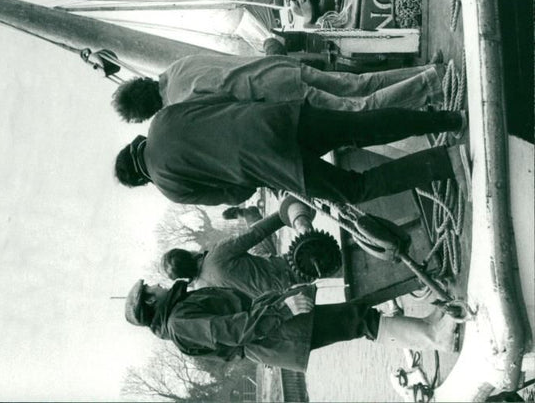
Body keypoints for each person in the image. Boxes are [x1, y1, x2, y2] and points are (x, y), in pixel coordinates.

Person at [113, 96, 468, 207]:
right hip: (275, 117)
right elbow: (221, 102)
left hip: (272, 162)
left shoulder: (169, 187)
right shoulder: (162, 118)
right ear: (134, 145)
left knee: (353, 190)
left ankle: (446, 160)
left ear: (141, 180)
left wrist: (250, 178)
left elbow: (236, 195)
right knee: (360, 127)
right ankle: (450, 120)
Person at [124, 279, 459, 372]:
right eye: (149, 289)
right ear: (150, 302)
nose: (155, 284)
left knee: (356, 319)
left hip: (273, 331)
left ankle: (429, 328)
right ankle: (434, 336)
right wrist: (281, 311)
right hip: (274, 332)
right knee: (359, 321)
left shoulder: (178, 317)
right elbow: (232, 331)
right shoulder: (180, 323)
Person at [111, 53, 444, 122]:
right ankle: (429, 70)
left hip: (275, 93)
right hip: (277, 67)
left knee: (356, 110)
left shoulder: (180, 105)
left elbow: (232, 107)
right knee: (357, 83)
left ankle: (432, 83)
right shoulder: (176, 66)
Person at [161, 212, 299, 298]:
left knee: (259, 252)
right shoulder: (216, 255)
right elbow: (255, 233)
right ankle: (248, 215)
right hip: (290, 269)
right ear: (189, 254)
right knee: (260, 247)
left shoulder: (201, 292)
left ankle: (248, 215)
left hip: (282, 300)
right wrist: (283, 214)